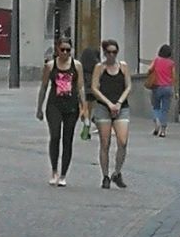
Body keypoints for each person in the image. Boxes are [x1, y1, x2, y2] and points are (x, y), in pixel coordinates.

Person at [36, 37, 86, 186]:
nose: (65, 53)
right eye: (62, 49)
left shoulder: (76, 66)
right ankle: (54, 171)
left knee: (67, 139)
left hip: (71, 106)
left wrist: (84, 108)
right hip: (54, 105)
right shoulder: (50, 66)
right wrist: (39, 107)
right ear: (57, 49)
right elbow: (44, 87)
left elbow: (80, 87)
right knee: (55, 135)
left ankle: (63, 174)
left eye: (68, 50)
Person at [91, 38, 131, 188]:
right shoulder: (99, 68)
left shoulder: (123, 66)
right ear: (104, 53)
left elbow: (128, 86)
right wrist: (108, 103)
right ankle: (105, 176)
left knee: (123, 141)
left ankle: (117, 172)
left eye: (114, 52)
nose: (112, 55)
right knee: (105, 143)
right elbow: (95, 88)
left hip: (122, 107)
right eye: (109, 52)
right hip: (103, 107)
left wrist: (119, 103)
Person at [146, 43, 175, 137]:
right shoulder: (171, 63)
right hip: (168, 87)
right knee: (165, 109)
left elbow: (149, 69)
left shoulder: (157, 60)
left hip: (157, 86)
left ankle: (157, 122)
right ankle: (163, 131)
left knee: (156, 107)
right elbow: (174, 76)